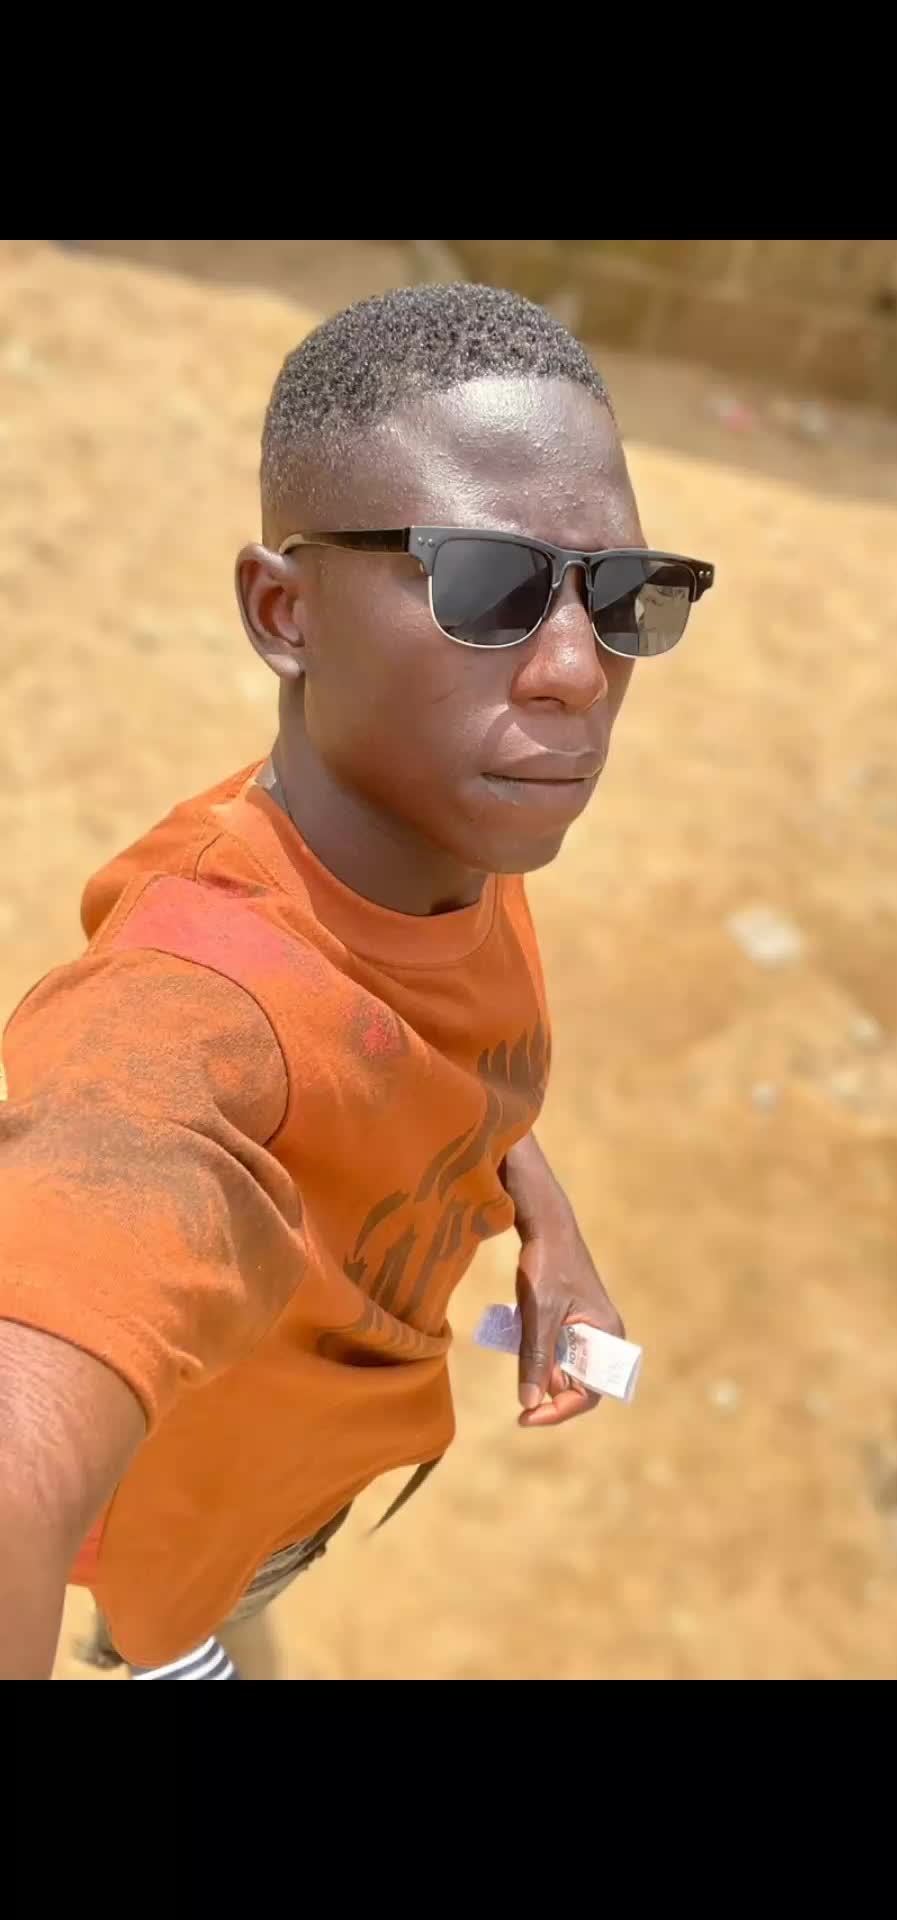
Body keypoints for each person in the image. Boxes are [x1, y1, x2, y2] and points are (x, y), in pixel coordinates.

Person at [0, 283, 714, 1680]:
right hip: (175, 1527)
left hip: (297, 1481)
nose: (578, 672)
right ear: (286, 611)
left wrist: (546, 1225)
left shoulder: (446, 823)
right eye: (489, 587)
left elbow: (432, 1066)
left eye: (625, 596)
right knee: (170, 1637)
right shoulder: (188, 1016)